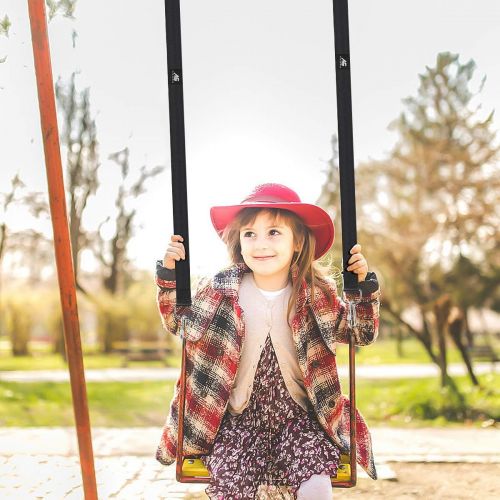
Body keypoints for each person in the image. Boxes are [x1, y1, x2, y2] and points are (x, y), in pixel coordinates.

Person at [154, 183, 381, 499]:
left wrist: (362, 291)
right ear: (239, 242)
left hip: (299, 422)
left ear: (298, 242)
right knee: (231, 484)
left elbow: (360, 333)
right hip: (237, 424)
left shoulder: (317, 295)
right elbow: (179, 321)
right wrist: (169, 276)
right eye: (249, 234)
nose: (260, 244)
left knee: (317, 484)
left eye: (274, 232)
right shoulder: (220, 291)